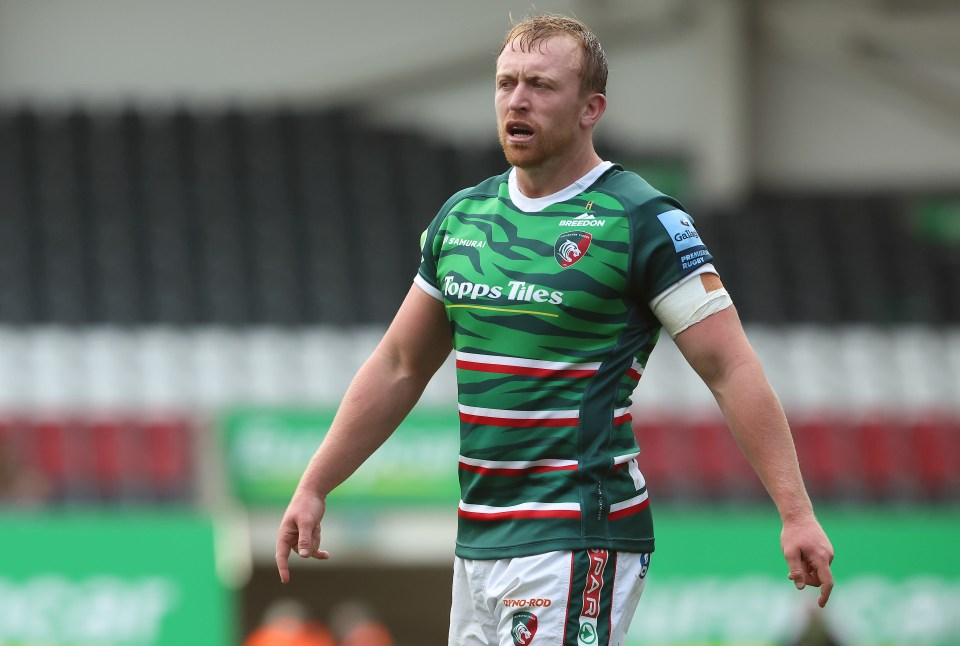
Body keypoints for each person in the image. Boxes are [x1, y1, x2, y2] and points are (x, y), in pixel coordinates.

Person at [277, 13, 835, 645]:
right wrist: (316, 483)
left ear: (590, 107)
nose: (517, 99)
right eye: (506, 82)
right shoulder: (463, 219)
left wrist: (796, 512)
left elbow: (729, 367)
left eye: (541, 85)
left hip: (577, 533)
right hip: (479, 539)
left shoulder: (642, 219)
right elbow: (400, 364)